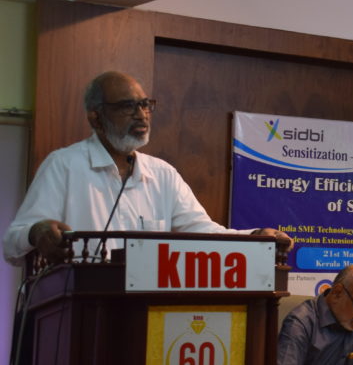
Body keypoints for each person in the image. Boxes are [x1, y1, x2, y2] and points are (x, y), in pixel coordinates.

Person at [2, 70, 291, 264]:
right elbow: (12, 242)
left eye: (145, 105)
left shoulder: (163, 174)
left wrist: (255, 237)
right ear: (96, 117)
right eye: (127, 106)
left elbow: (203, 232)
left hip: (149, 312)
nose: (141, 115)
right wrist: (36, 232)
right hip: (82, 310)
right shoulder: (64, 165)